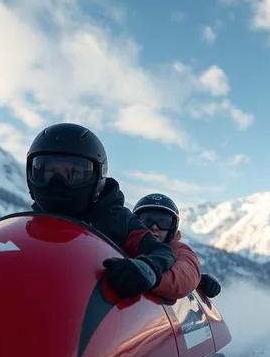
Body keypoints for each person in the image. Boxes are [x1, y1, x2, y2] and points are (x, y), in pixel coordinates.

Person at [25, 122, 176, 298]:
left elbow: (162, 252)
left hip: (100, 310)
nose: (58, 182)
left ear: (98, 175)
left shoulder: (119, 219)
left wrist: (147, 267)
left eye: (72, 173)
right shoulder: (30, 223)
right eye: (49, 172)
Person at [132, 193, 222, 299]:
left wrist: (147, 275)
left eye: (163, 222)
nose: (154, 227)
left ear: (172, 228)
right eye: (147, 220)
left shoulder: (179, 251)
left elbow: (185, 274)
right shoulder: (124, 242)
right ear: (136, 222)